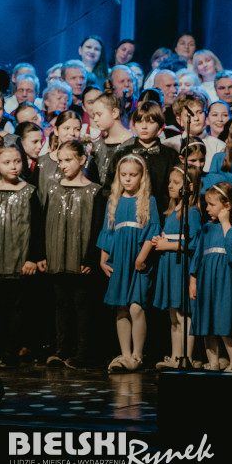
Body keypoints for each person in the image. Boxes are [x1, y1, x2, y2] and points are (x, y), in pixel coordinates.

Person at [43, 141, 104, 368]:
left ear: (82, 159)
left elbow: (97, 226)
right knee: (60, 303)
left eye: (68, 160)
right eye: (60, 161)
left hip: (80, 258)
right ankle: (61, 349)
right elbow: (44, 222)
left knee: (82, 304)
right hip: (57, 255)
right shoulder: (53, 188)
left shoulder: (94, 191)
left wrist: (90, 257)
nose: (63, 165)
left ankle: (83, 352)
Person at [99, 155, 161, 372]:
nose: (127, 179)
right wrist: (103, 259)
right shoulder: (114, 199)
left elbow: (151, 231)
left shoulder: (148, 200)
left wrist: (142, 257)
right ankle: (125, 354)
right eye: (123, 175)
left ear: (141, 176)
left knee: (137, 307)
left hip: (138, 260)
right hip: (120, 259)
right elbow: (107, 231)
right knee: (121, 308)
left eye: (133, 175)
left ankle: (137, 355)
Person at [189, 182, 232, 373]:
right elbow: (197, 255)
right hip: (206, 279)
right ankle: (213, 360)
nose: (207, 208)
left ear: (227, 205)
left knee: (225, 319)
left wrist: (225, 222)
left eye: (212, 204)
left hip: (226, 278)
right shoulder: (206, 228)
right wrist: (193, 280)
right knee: (207, 319)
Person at [151, 165, 203, 370]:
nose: (170, 186)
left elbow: (195, 243)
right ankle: (175, 356)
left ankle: (185, 357)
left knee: (184, 315)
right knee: (173, 315)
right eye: (170, 182)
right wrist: (160, 240)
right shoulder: (171, 211)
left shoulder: (192, 212)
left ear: (189, 186)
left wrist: (168, 245)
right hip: (169, 265)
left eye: (176, 182)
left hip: (181, 266)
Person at [0, 144, 44, 368]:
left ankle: (9, 352)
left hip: (19, 260)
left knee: (16, 308)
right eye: (7, 162)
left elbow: (36, 229)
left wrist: (32, 258)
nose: (13, 167)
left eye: (17, 161)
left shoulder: (30, 191)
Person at [107, 101, 179, 215]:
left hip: (162, 215)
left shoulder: (171, 156)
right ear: (134, 124)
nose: (144, 126)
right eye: (139, 121)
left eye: (150, 122)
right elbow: (109, 188)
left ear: (161, 125)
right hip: (127, 214)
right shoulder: (122, 155)